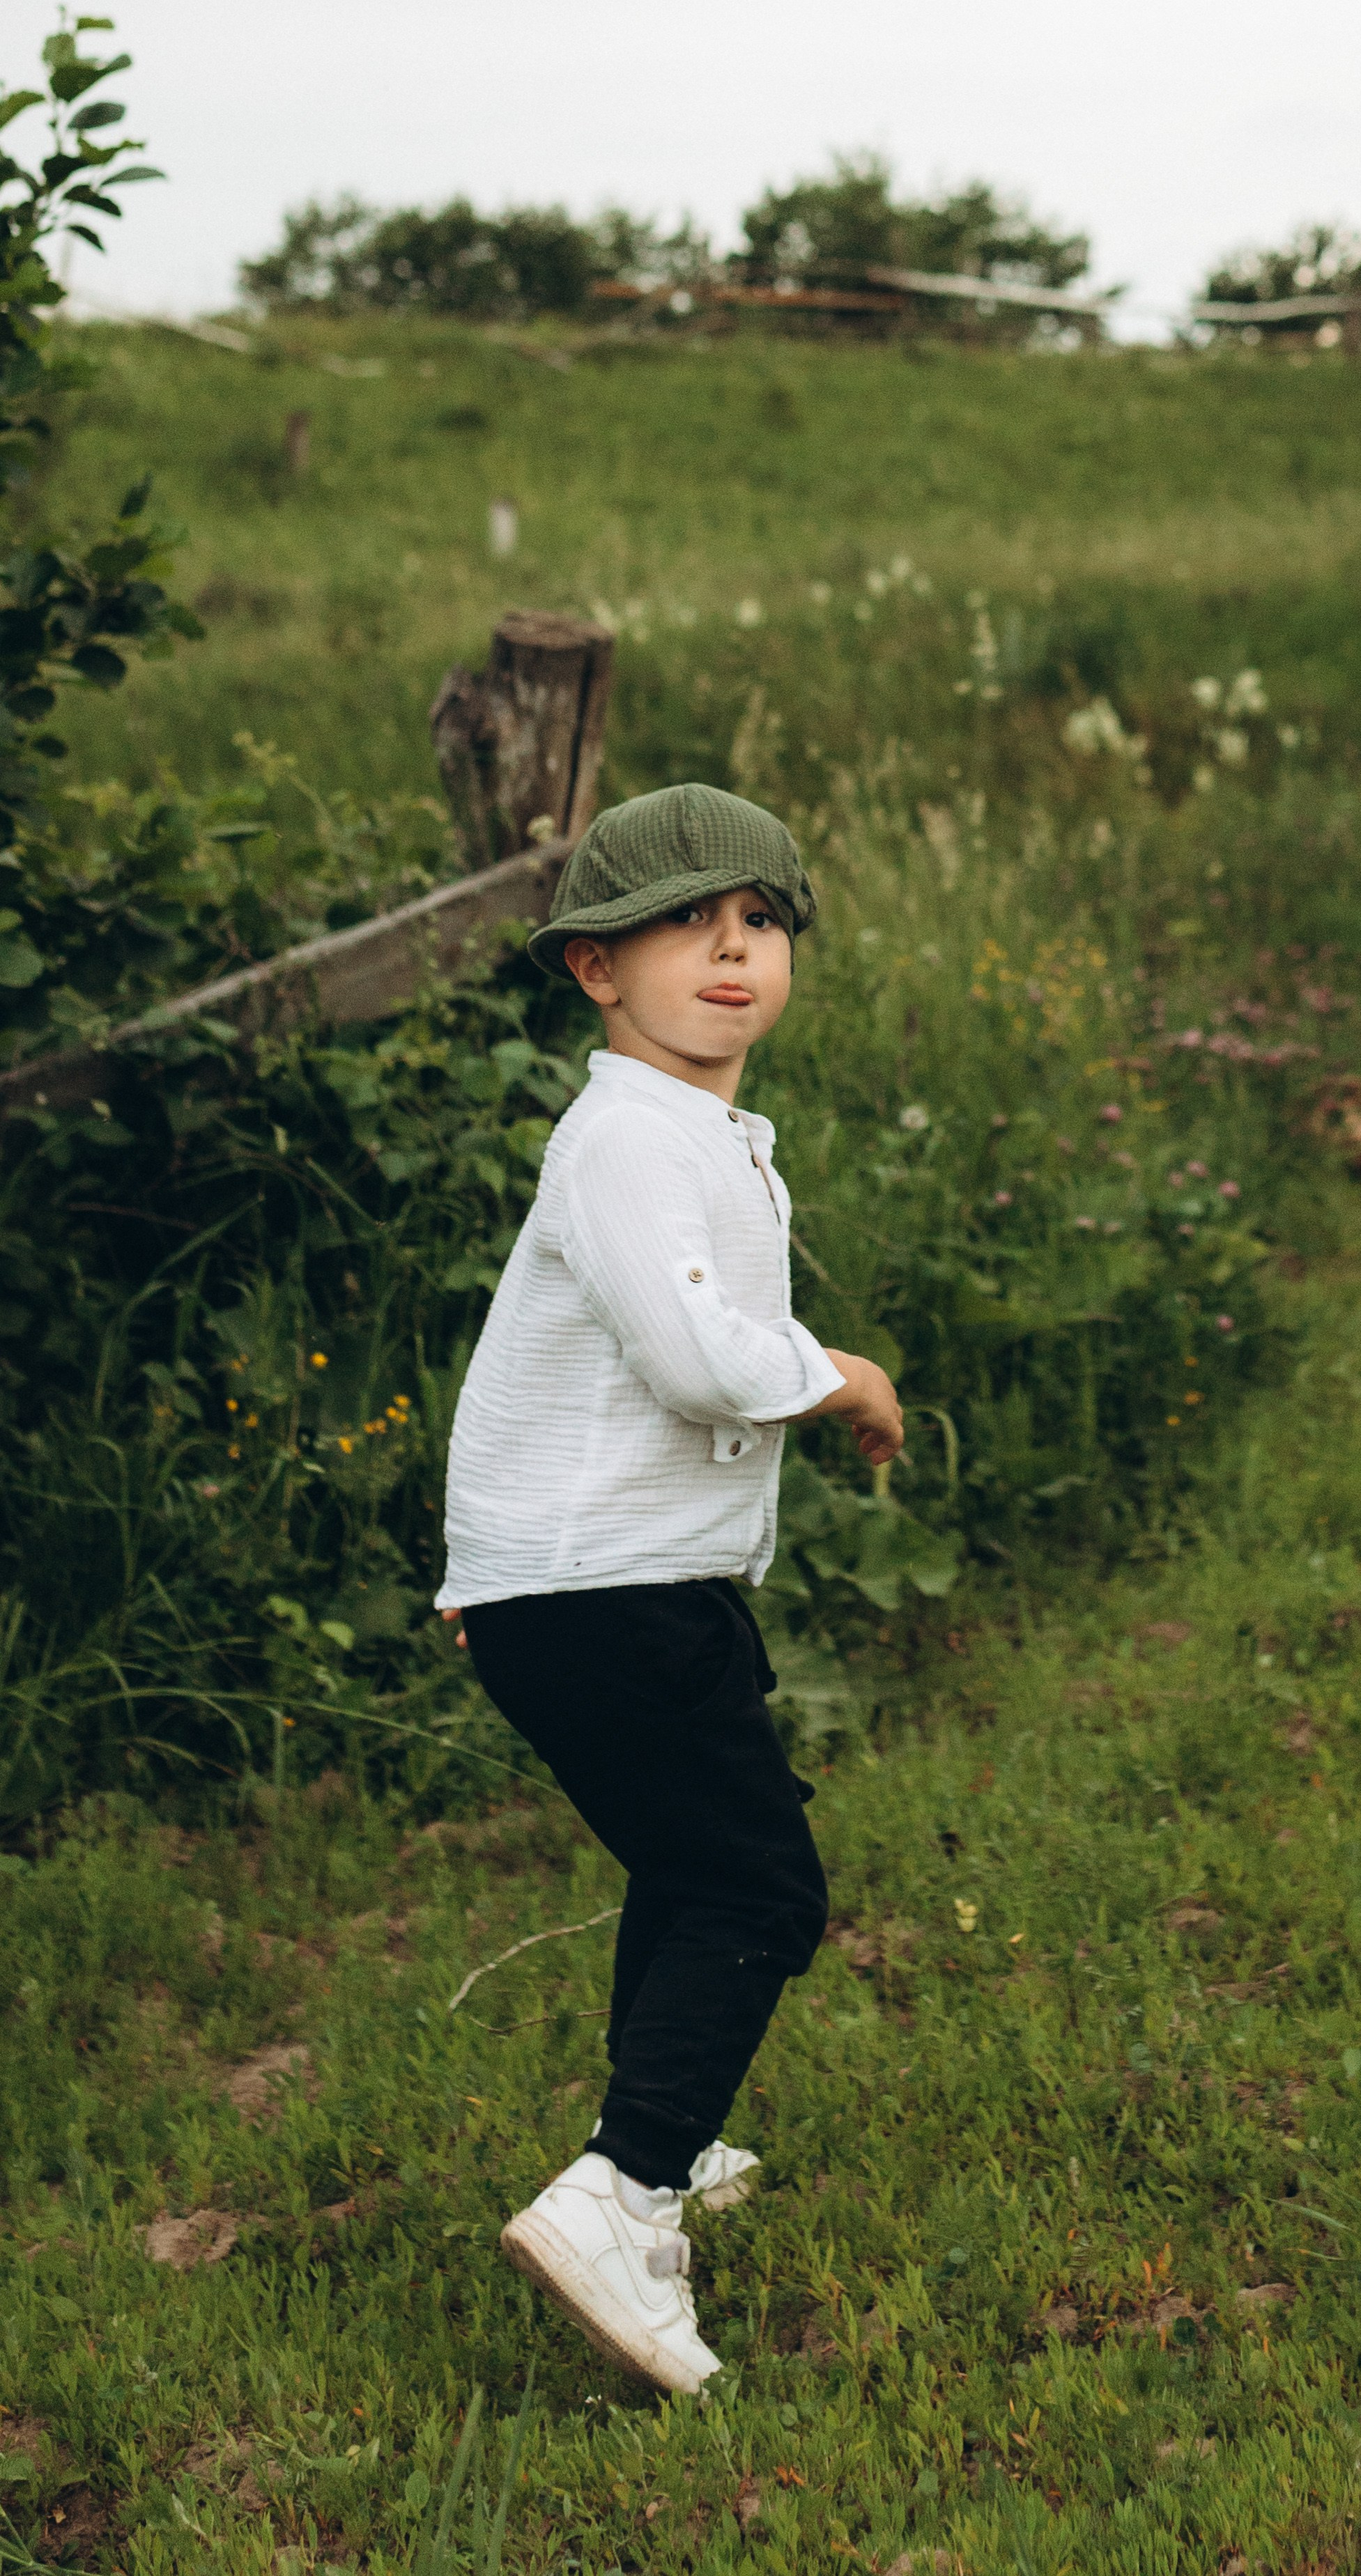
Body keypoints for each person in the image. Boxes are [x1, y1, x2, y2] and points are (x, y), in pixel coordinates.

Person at [434, 782, 903, 2395]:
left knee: (688, 1854)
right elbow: (698, 1361)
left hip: (618, 1581)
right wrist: (843, 1374)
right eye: (685, 923)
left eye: (760, 920)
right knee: (757, 1888)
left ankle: (666, 2131)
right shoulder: (625, 1141)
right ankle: (619, 2197)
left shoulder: (688, 1130)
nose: (730, 947)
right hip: (598, 1590)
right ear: (592, 969)